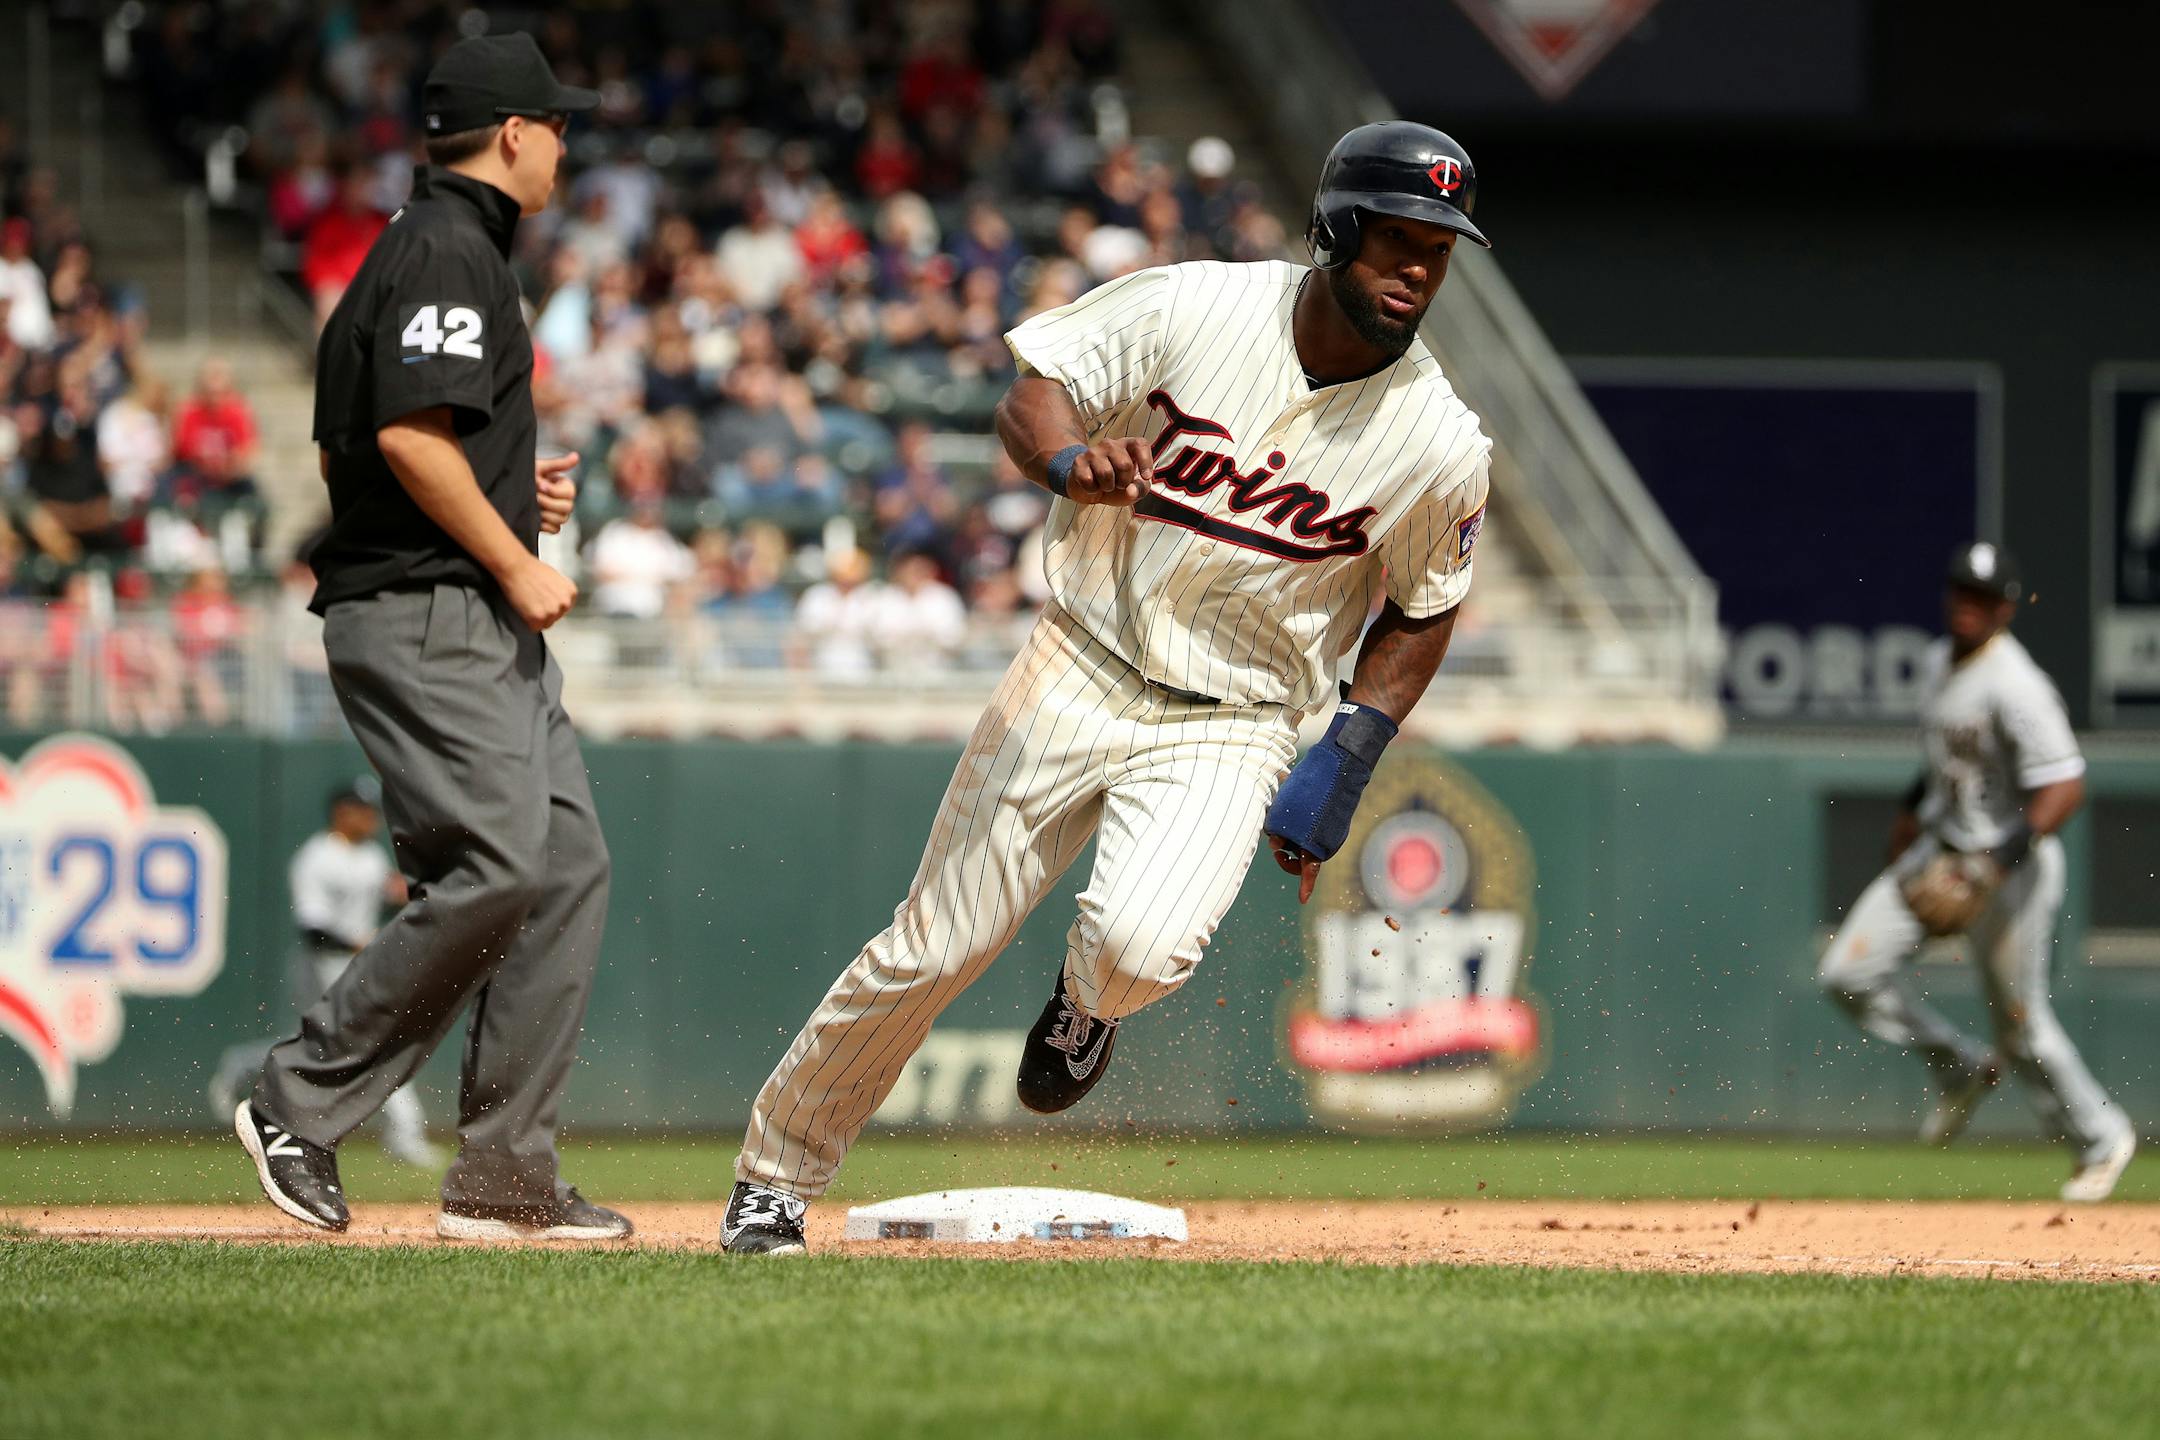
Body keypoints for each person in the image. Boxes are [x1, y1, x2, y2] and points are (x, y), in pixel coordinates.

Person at [723, 122, 1497, 1253]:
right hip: (1079, 660)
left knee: (1138, 950)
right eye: (1399, 237)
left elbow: (1425, 606)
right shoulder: (1196, 304)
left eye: (1440, 247)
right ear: (1335, 228)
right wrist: (1065, 462)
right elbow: (1036, 392)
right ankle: (775, 1180)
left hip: (1237, 720)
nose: (1419, 267)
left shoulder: (1438, 439)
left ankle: (1085, 1009)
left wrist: (1352, 751)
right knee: (935, 947)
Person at [234, 33, 629, 1244]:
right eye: (555, 124)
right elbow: (407, 440)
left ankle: (506, 1177)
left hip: (458, 602)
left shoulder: (436, 251)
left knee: (563, 869)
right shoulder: (449, 249)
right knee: (502, 862)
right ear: (513, 134)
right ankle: (297, 1099)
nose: (565, 142)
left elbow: (363, 446)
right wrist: (513, 555)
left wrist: (516, 501)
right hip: (429, 613)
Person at [1817, 542, 2137, 1202]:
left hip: (2008, 868)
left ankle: (2102, 1138)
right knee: (1846, 973)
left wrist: (1996, 862)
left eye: (1984, 599)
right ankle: (1957, 1066)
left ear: (2007, 609)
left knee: (2020, 1027)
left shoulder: (2015, 685)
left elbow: (2064, 786)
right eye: (1961, 592)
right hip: (1940, 848)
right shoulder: (1939, 662)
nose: (1969, 607)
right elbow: (1947, 763)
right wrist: (1909, 815)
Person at [211, 787, 438, 1167]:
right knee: (374, 1039)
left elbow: (379, 895)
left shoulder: (370, 854)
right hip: (320, 962)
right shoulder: (316, 858)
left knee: (319, 1041)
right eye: (362, 810)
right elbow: (312, 928)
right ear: (341, 812)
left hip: (357, 962)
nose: (371, 818)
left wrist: (397, 893)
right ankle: (406, 1134)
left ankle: (241, 1065)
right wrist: (359, 944)